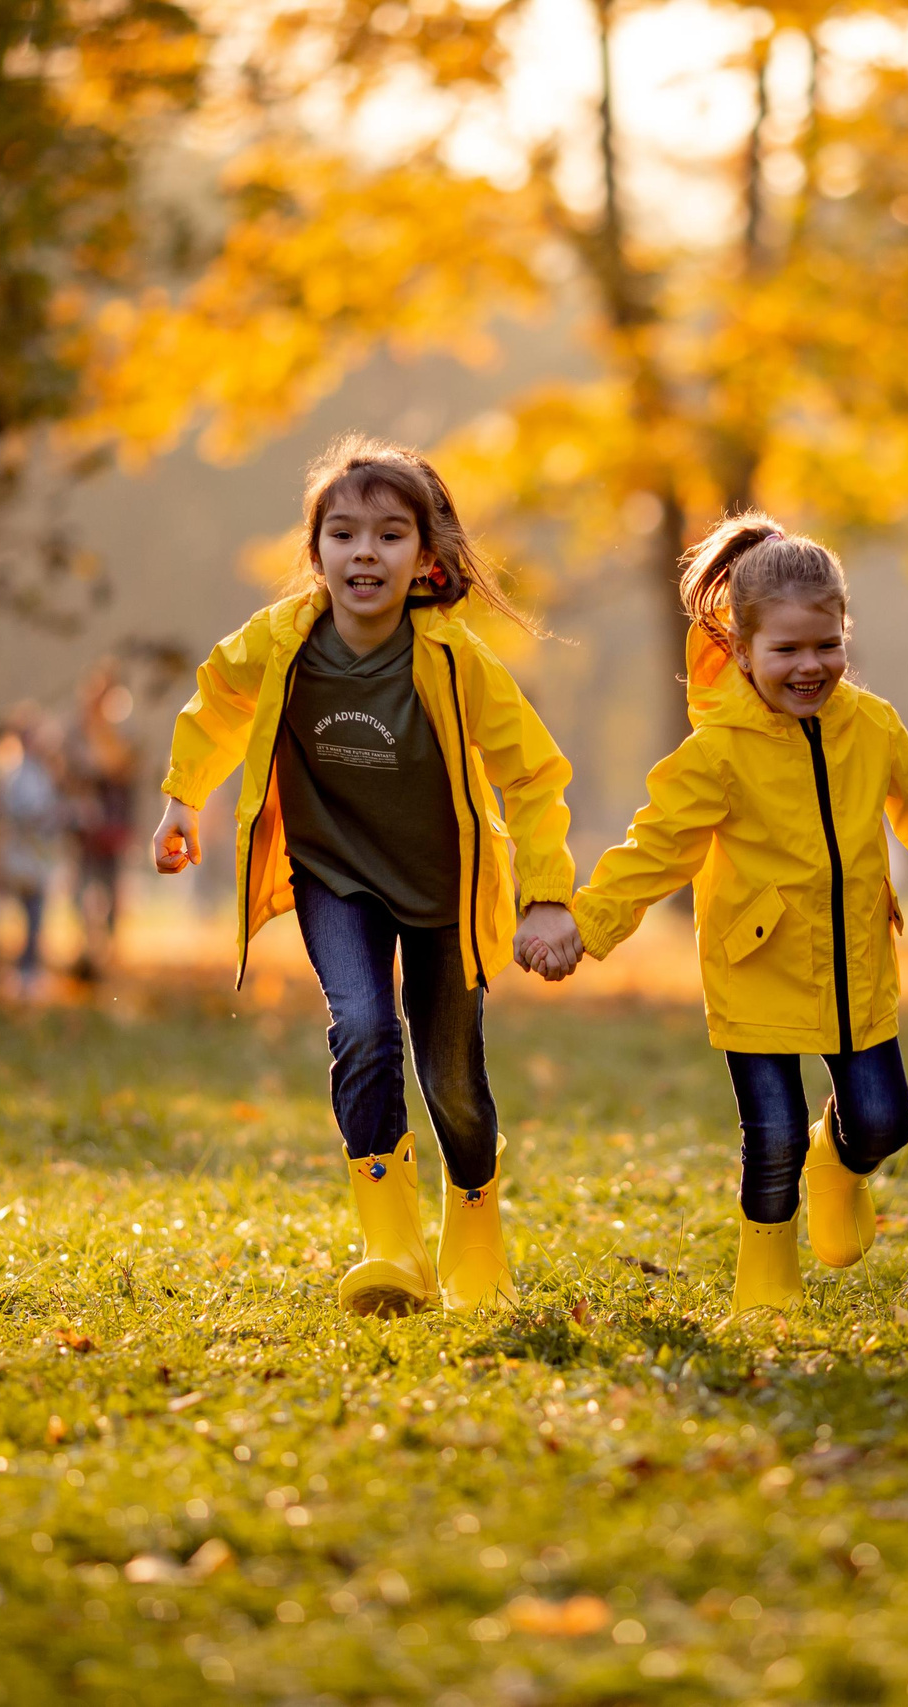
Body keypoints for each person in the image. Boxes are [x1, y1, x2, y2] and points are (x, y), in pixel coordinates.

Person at [556, 515, 908, 1319]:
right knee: (769, 1132)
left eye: (827, 645)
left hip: (857, 965)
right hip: (757, 969)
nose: (810, 666)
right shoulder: (716, 752)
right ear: (742, 652)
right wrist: (588, 923)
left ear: (846, 634)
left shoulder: (870, 726)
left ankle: (837, 1164)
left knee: (884, 1121)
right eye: (786, 651)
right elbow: (658, 846)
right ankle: (765, 1275)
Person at [147, 437, 581, 1318]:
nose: (364, 553)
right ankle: (390, 1242)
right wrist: (182, 799)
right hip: (332, 872)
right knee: (362, 1024)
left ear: (425, 558)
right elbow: (218, 701)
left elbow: (532, 773)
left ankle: (474, 1224)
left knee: (453, 1079)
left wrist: (545, 893)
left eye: (389, 535)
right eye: (343, 535)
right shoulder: (281, 644)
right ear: (315, 556)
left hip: (442, 890)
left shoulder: (456, 662)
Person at [69, 662, 140, 982]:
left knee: (109, 889)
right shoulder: (79, 734)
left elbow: (123, 772)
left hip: (111, 827)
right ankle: (88, 943)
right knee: (84, 888)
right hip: (87, 829)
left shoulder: (123, 731)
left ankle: (107, 946)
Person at [0, 706, 65, 998]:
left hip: (35, 856)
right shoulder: (18, 773)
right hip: (25, 856)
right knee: (30, 916)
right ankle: (25, 972)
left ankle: (28, 970)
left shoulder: (37, 772)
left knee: (35, 917)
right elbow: (24, 814)